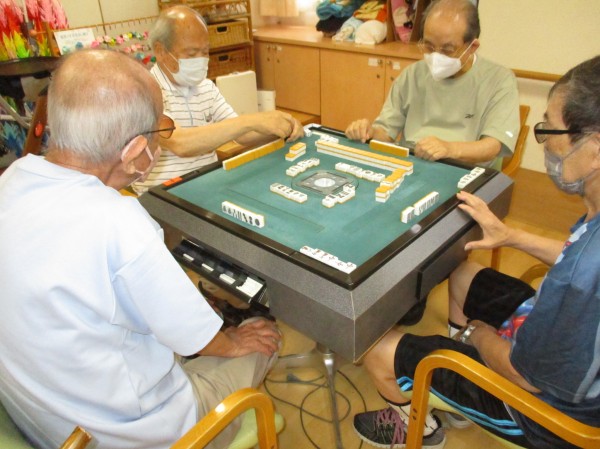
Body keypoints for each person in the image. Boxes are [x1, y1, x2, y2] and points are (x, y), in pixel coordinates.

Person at [0, 49, 281, 449]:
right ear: (134, 152)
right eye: (160, 131)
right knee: (265, 335)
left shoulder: (11, 179)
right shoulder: (119, 221)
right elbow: (198, 336)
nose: (161, 143)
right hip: (139, 436)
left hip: (46, 422)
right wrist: (234, 341)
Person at [353, 55, 600, 449]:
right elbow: (575, 257)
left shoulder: (581, 276)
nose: (546, 143)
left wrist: (476, 336)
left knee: (374, 344)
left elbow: (524, 376)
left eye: (549, 129)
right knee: (463, 271)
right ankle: (455, 393)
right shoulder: (590, 243)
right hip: (555, 354)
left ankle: (418, 428)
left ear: (595, 145)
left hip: (544, 416)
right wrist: (510, 236)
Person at [132, 5, 304, 194]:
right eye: (191, 54)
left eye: (205, 52)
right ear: (161, 51)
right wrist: (252, 120)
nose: (201, 59)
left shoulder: (206, 87)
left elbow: (243, 135)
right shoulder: (143, 93)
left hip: (208, 187)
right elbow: (181, 143)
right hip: (164, 196)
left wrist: (282, 126)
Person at [345, 0, 519, 168]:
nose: (436, 56)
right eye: (428, 46)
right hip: (412, 164)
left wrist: (449, 149)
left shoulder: (499, 80)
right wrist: (368, 132)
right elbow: (385, 132)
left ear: (472, 47)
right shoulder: (412, 75)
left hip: (463, 168)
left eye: (448, 49)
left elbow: (493, 145)